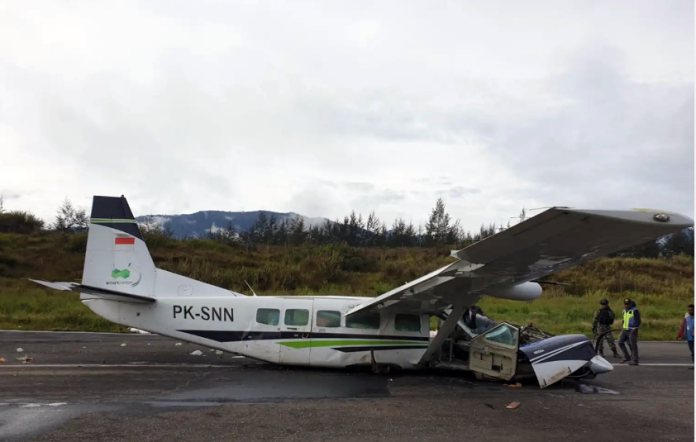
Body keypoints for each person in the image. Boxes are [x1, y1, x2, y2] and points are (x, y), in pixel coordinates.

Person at [618, 298, 641, 365]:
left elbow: (638, 320)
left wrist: (635, 327)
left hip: (632, 330)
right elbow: (624, 319)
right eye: (625, 304)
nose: (626, 305)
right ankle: (627, 357)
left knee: (633, 345)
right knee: (620, 342)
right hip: (625, 329)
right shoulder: (624, 310)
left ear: (630, 304)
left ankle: (635, 360)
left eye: (628, 304)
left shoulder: (635, 311)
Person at [676, 304, 694, 368]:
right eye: (689, 310)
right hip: (689, 338)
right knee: (693, 352)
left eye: (691, 310)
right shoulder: (687, 317)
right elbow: (683, 326)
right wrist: (680, 334)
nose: (690, 311)